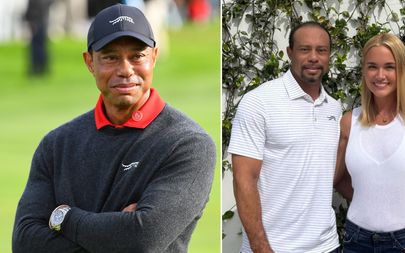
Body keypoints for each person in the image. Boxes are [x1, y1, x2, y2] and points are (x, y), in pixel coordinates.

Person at [12, 4, 216, 253]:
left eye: (137, 56)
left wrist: (63, 218)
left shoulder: (188, 144)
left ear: (153, 57)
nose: (125, 70)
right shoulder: (56, 145)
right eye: (110, 57)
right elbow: (24, 241)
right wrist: (116, 232)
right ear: (89, 62)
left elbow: (143, 237)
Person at [228, 21, 342, 253]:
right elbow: (243, 180)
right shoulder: (259, 102)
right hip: (274, 248)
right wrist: (261, 247)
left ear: (329, 55)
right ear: (289, 52)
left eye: (321, 50)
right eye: (304, 49)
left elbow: (332, 175)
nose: (313, 57)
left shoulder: (334, 108)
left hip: (327, 246)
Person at [334, 33, 405, 253]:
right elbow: (338, 179)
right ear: (364, 71)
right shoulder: (350, 121)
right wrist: (372, 199)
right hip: (355, 241)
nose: (380, 75)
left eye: (389, 66)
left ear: (402, 70)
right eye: (372, 67)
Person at [24, 0, 54, 76]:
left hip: (37, 21)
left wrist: (30, 19)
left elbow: (33, 8)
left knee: (37, 47)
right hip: (40, 21)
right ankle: (41, 68)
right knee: (40, 46)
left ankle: (38, 68)